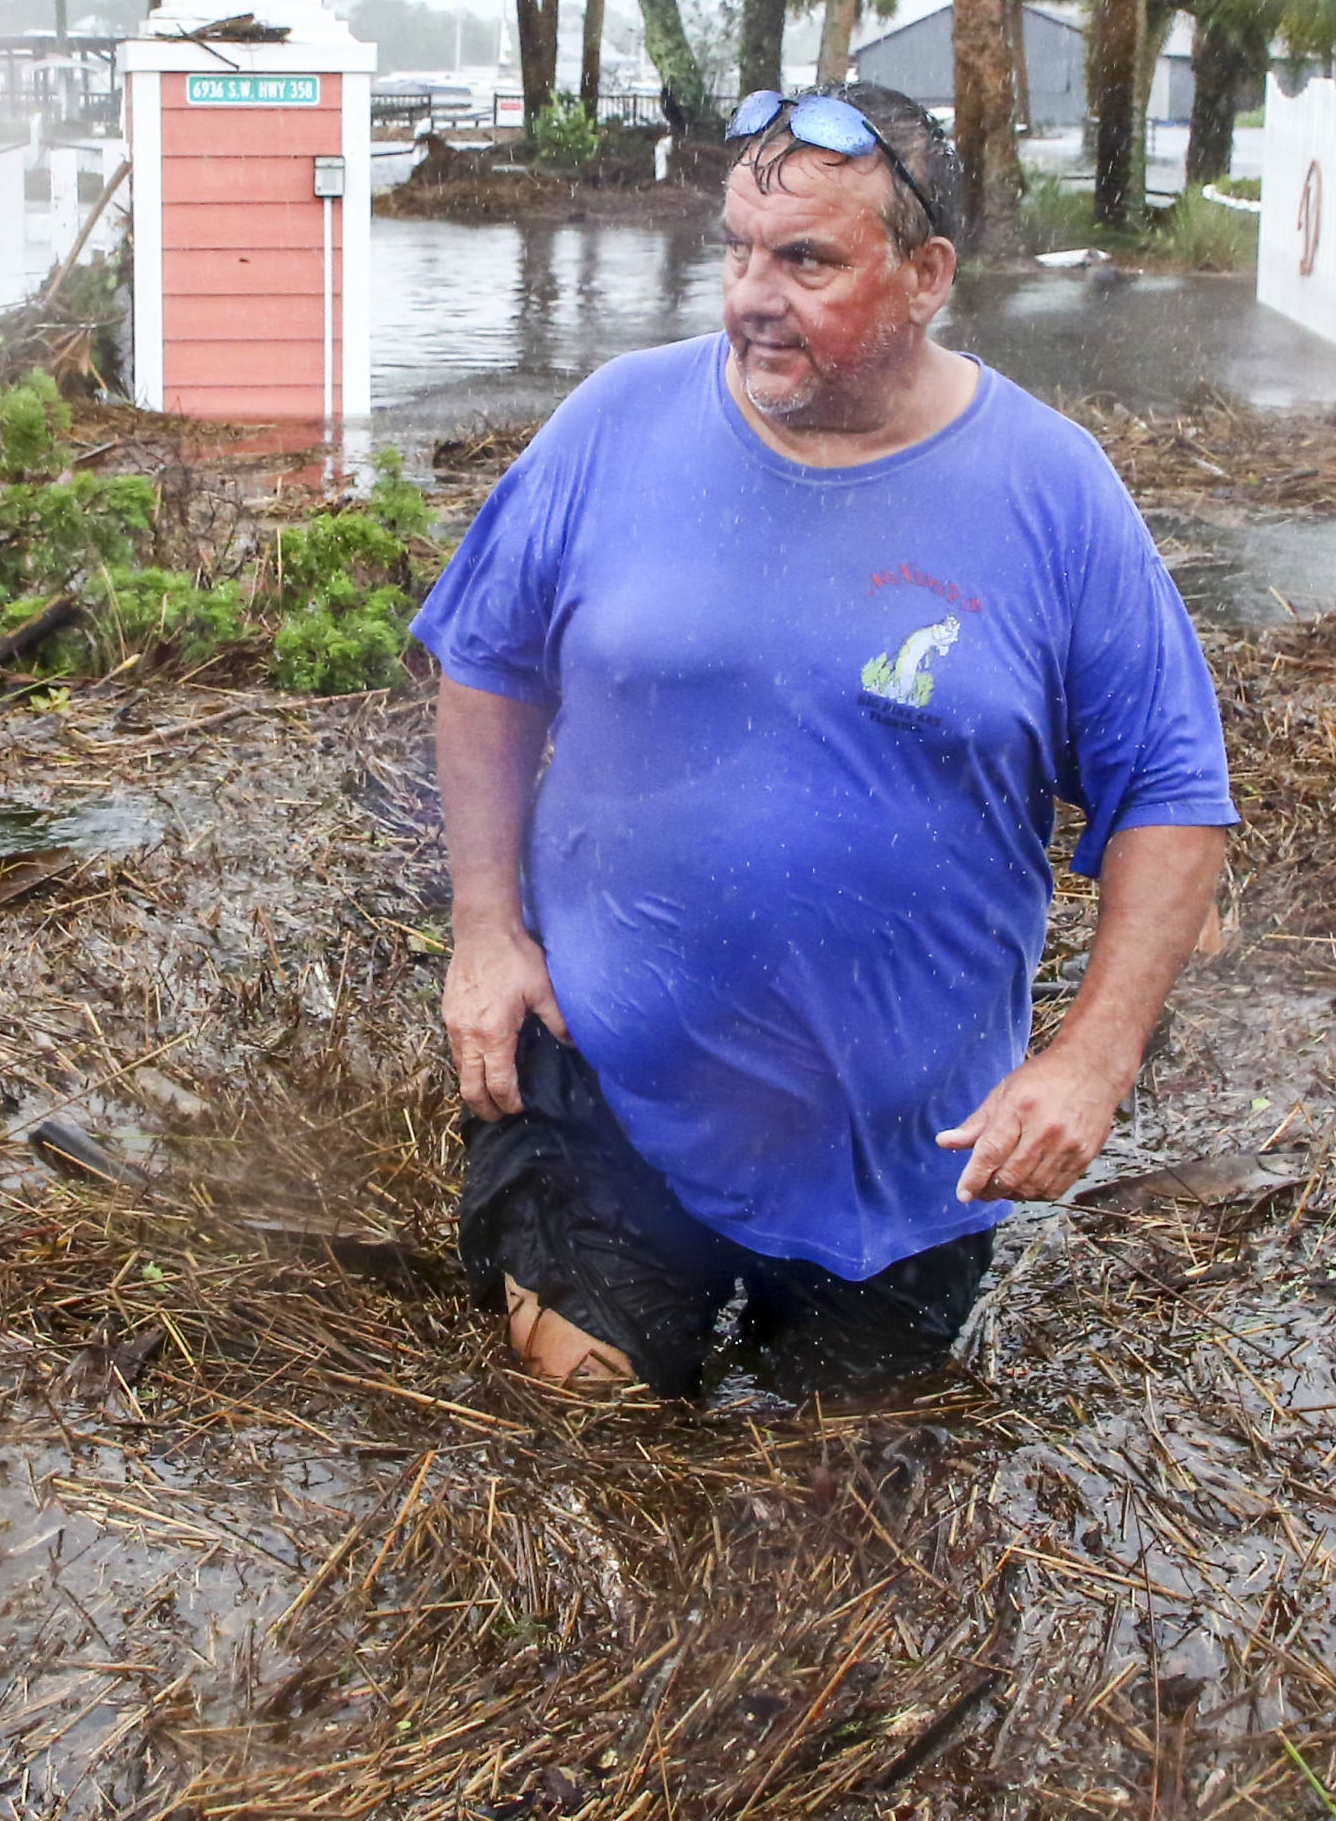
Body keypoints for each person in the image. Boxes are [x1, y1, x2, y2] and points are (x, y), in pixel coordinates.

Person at [409, 81, 1234, 1401]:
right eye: (736, 250)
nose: (750, 294)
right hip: (617, 1095)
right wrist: (486, 929)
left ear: (925, 276)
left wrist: (1092, 1054)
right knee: (589, 1417)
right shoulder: (616, 426)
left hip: (908, 1153)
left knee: (840, 1486)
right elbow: (488, 665)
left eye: (806, 261)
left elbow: (1173, 791)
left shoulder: (1051, 489)